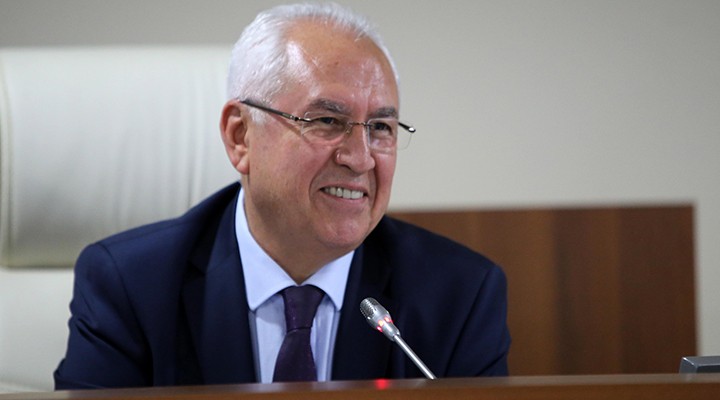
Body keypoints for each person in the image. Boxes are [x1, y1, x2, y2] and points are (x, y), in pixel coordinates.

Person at [54, 2, 510, 389]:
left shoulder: (459, 295)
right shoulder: (131, 286)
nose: (360, 158)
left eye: (380, 128)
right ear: (240, 137)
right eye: (327, 121)